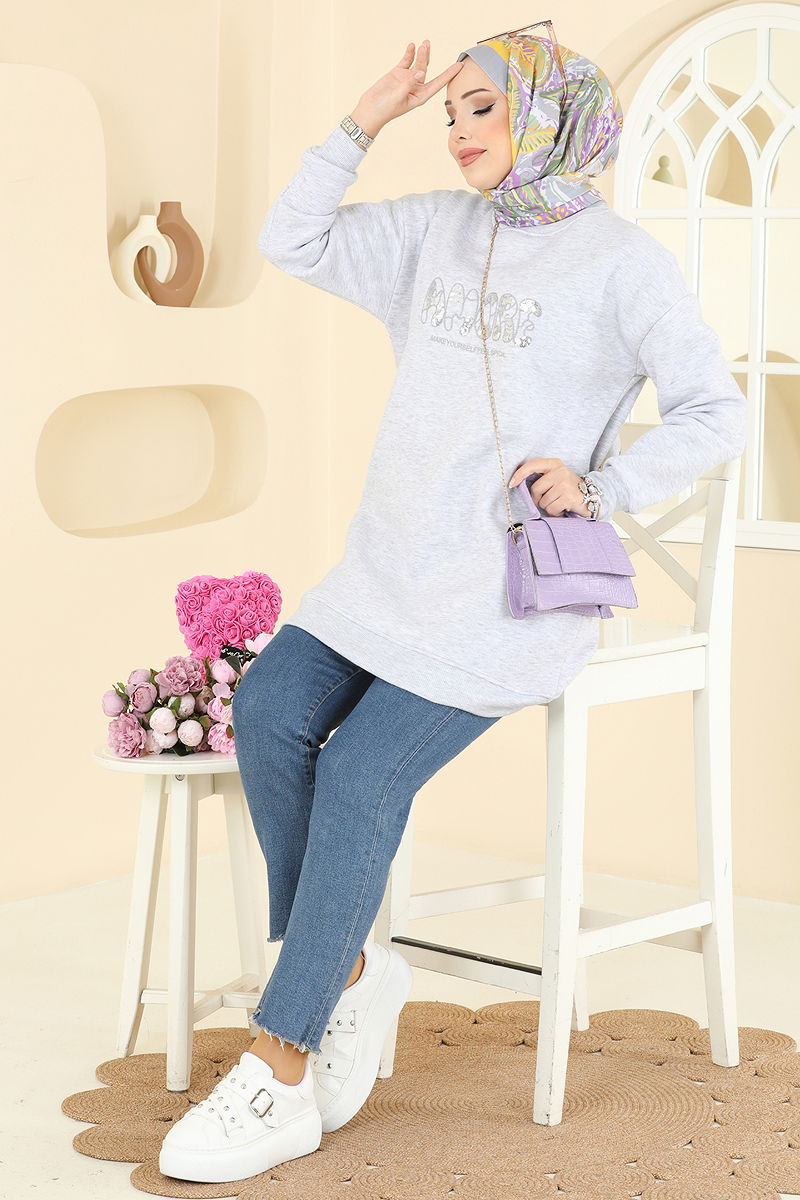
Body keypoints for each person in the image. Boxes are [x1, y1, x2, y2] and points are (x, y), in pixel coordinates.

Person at [159, 32, 747, 1185]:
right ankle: (344, 975)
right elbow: (292, 240)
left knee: (359, 775)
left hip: (497, 606)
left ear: (549, 116)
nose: (459, 130)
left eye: (483, 107)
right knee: (268, 707)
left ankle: (280, 1062)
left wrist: (604, 485)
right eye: (450, 112)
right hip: (380, 577)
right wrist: (363, 121)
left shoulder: (621, 264)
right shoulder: (436, 228)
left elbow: (713, 410)